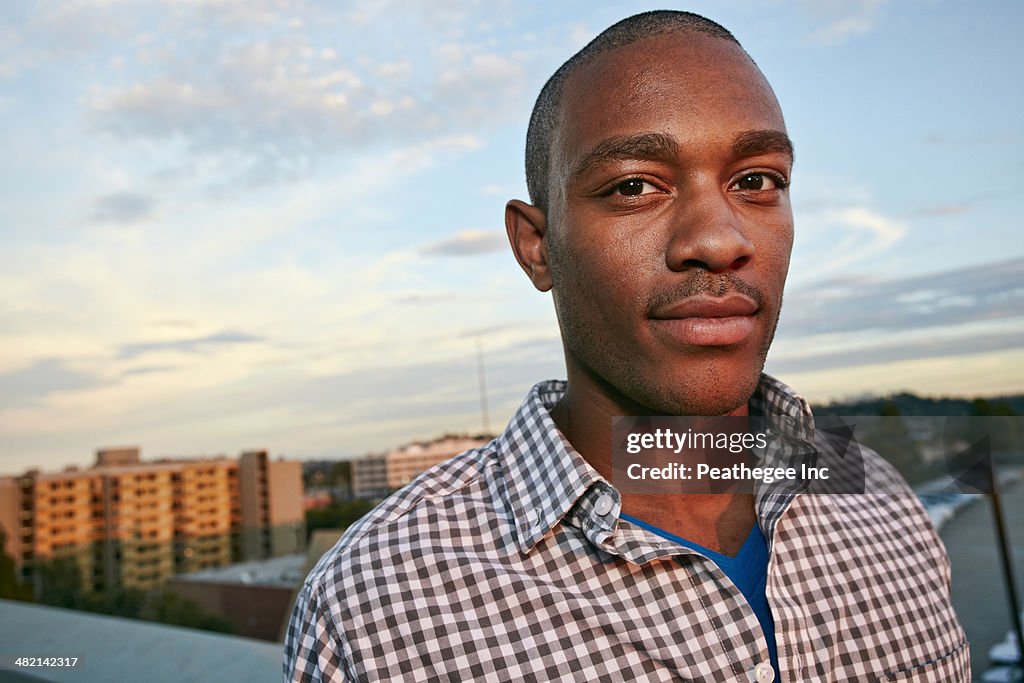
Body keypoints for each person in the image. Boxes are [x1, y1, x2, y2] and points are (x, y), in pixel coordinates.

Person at [284, 10, 968, 682]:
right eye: (635, 186)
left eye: (756, 181)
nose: (719, 239)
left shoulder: (880, 495)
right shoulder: (376, 610)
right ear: (536, 247)